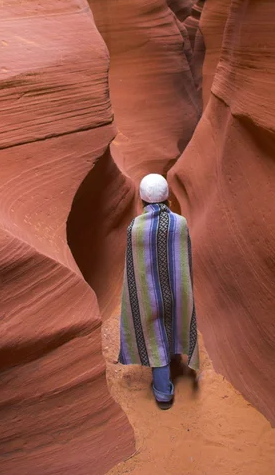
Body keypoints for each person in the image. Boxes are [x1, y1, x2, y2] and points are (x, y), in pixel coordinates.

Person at [118, 173, 199, 410]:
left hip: (148, 293)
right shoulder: (180, 223)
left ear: (142, 200)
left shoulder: (134, 227)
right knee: (173, 319)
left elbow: (134, 268)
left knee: (154, 334)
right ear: (167, 199)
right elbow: (184, 260)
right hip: (176, 289)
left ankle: (163, 394)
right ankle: (175, 355)